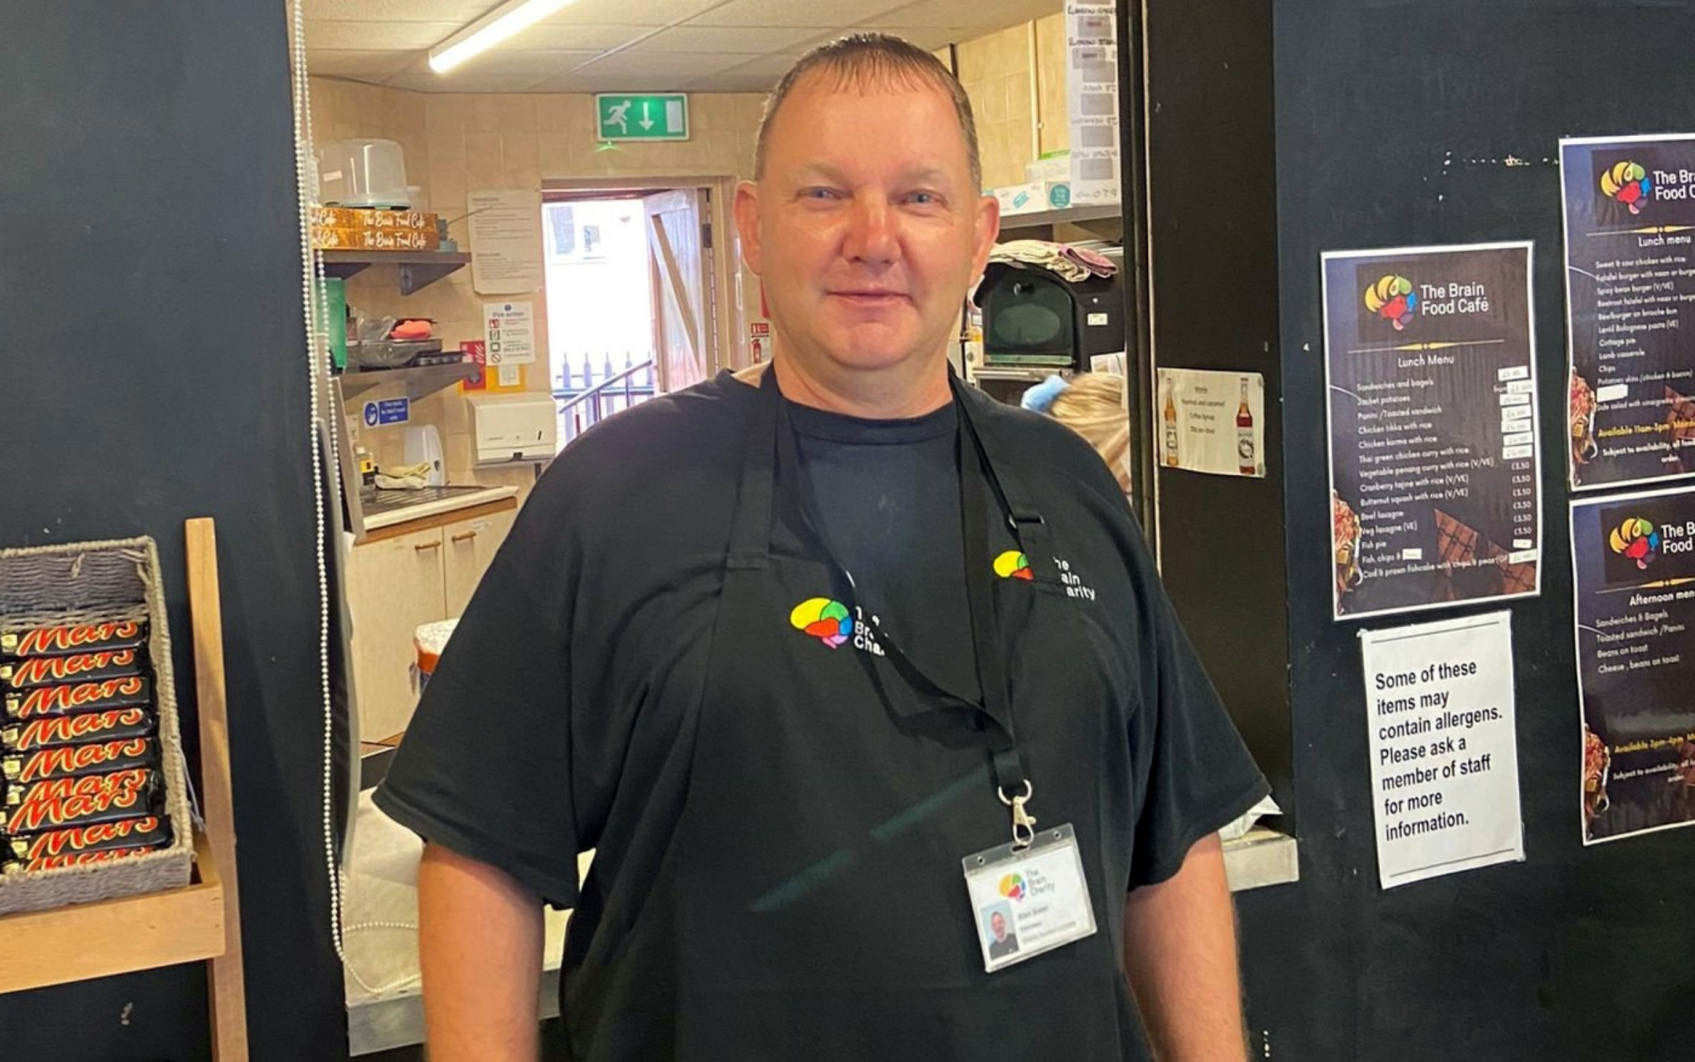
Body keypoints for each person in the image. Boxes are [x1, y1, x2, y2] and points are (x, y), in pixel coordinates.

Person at [377, 33, 1268, 1062]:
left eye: (919, 198)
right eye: (822, 194)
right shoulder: (614, 494)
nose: (872, 236)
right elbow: (478, 851)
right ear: (752, 226)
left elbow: (1173, 842)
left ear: (978, 239)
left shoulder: (1066, 485)